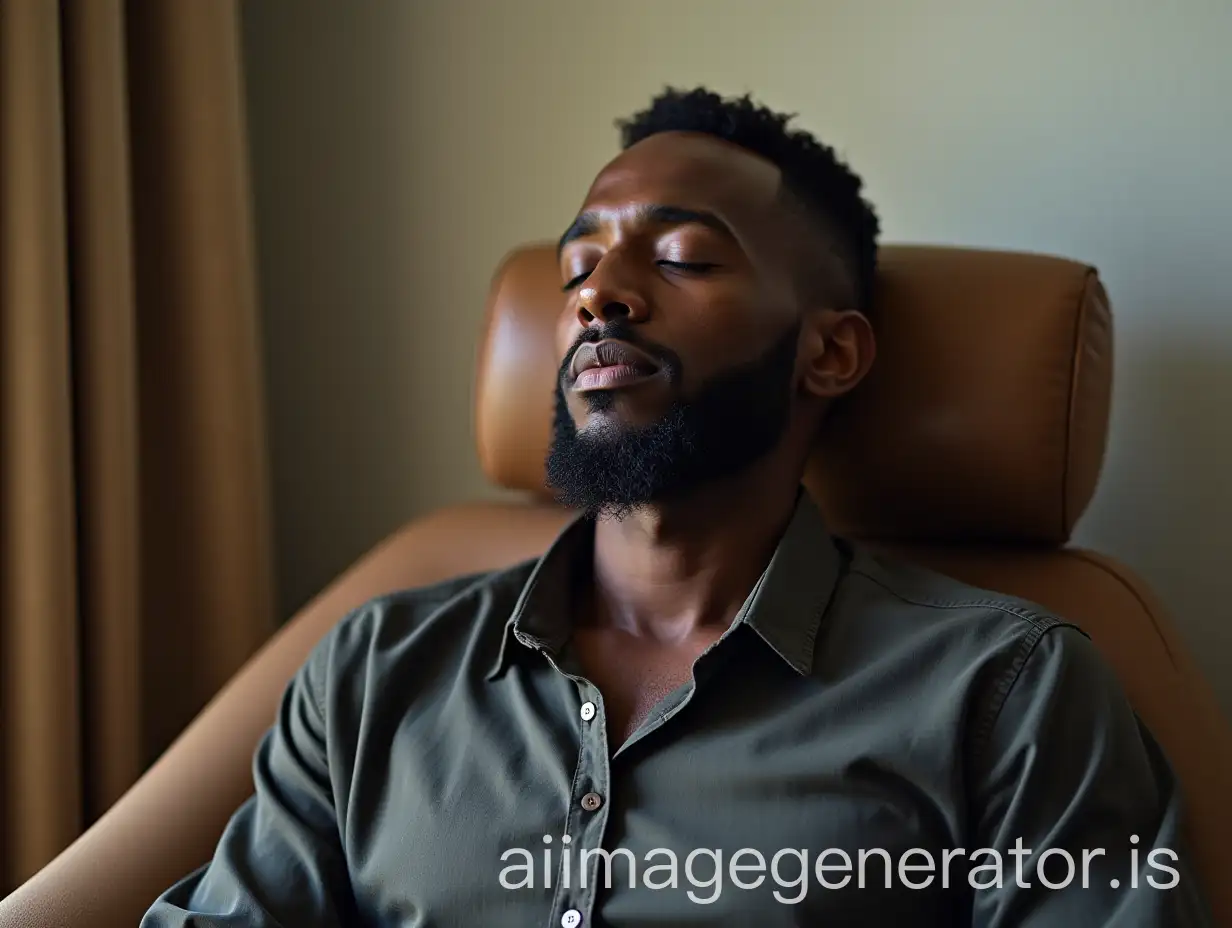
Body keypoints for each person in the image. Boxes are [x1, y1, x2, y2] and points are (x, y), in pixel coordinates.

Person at [142, 87, 1211, 927]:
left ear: (828, 352)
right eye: (576, 265)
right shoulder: (373, 672)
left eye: (680, 256)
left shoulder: (1006, 694)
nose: (598, 291)